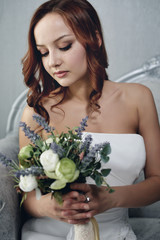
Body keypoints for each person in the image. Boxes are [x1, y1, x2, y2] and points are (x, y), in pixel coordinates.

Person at [19, 0, 160, 239]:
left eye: (64, 46)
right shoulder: (36, 113)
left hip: (116, 233)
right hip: (47, 234)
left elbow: (157, 182)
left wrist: (111, 198)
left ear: (95, 38)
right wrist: (48, 206)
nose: (52, 61)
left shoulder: (138, 98)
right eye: (43, 52)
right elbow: (26, 195)